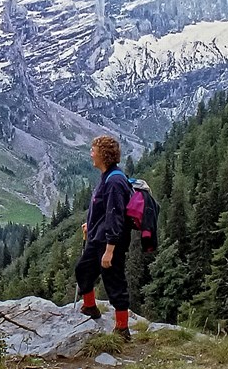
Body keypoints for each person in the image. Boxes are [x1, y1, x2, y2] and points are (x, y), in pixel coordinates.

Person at [75, 135, 132, 340]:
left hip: (109, 243)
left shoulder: (115, 180)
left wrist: (110, 250)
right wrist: (90, 224)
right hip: (98, 238)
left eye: (94, 150)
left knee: (114, 281)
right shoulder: (107, 176)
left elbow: (115, 216)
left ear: (103, 155)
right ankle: (90, 307)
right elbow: (103, 209)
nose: (91, 153)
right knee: (83, 270)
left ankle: (122, 329)